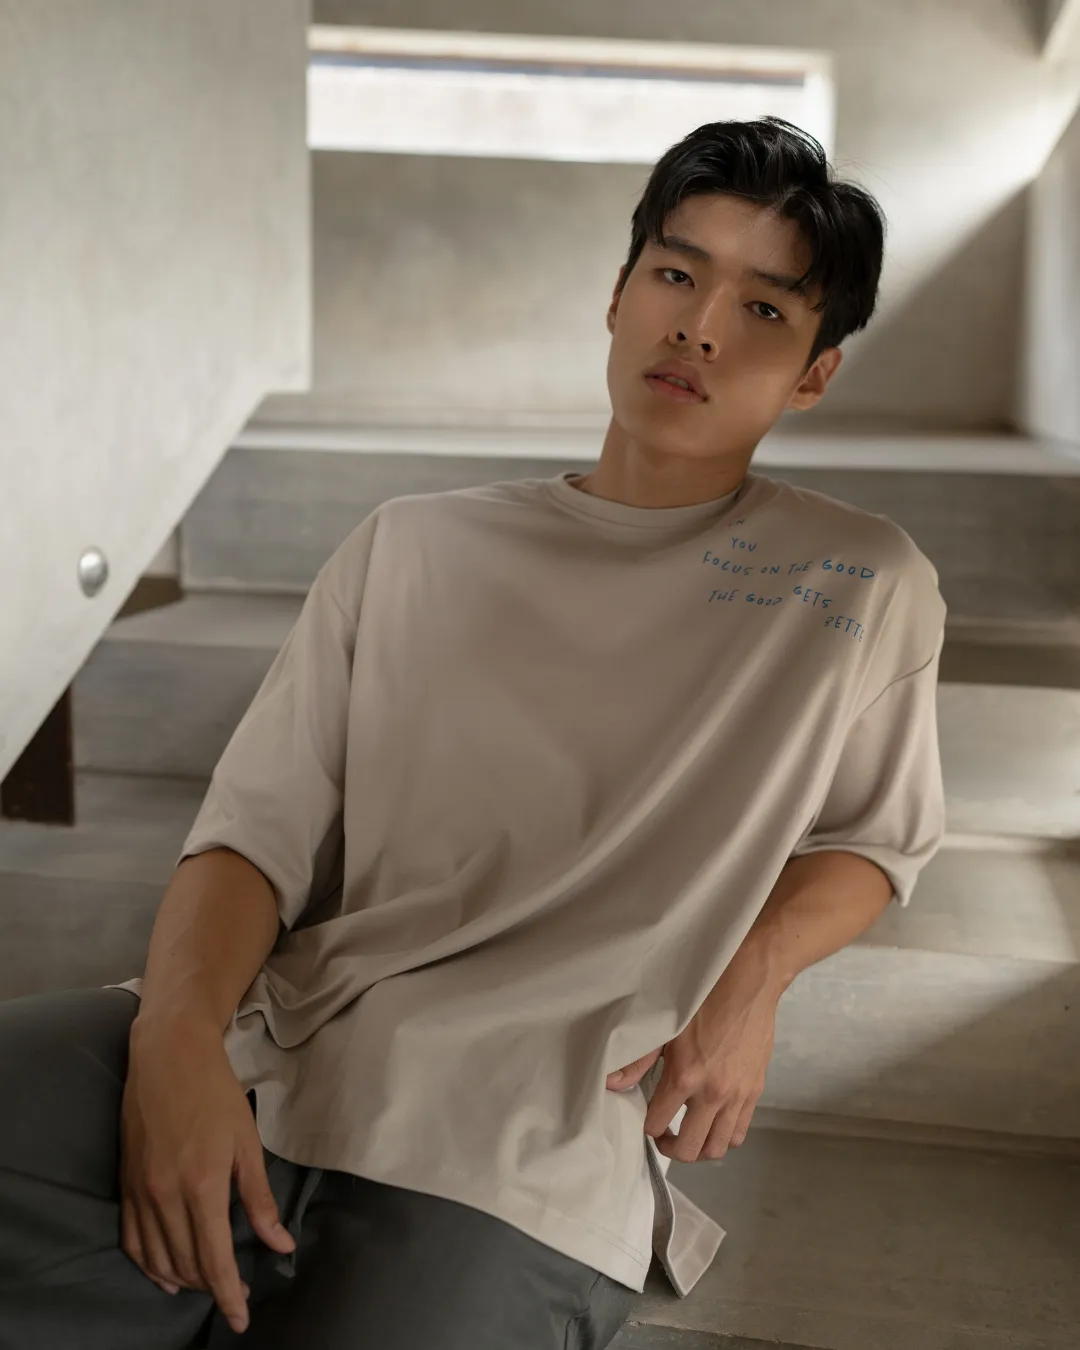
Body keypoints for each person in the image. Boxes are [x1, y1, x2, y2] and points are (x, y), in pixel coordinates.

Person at [0, 116, 945, 1350]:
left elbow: (875, 839)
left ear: (815, 372)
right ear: (619, 296)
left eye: (765, 309)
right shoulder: (410, 544)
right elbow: (251, 839)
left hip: (527, 1148)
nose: (701, 328)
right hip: (279, 1043)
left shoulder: (859, 580)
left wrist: (753, 975)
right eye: (676, 274)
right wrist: (174, 1042)